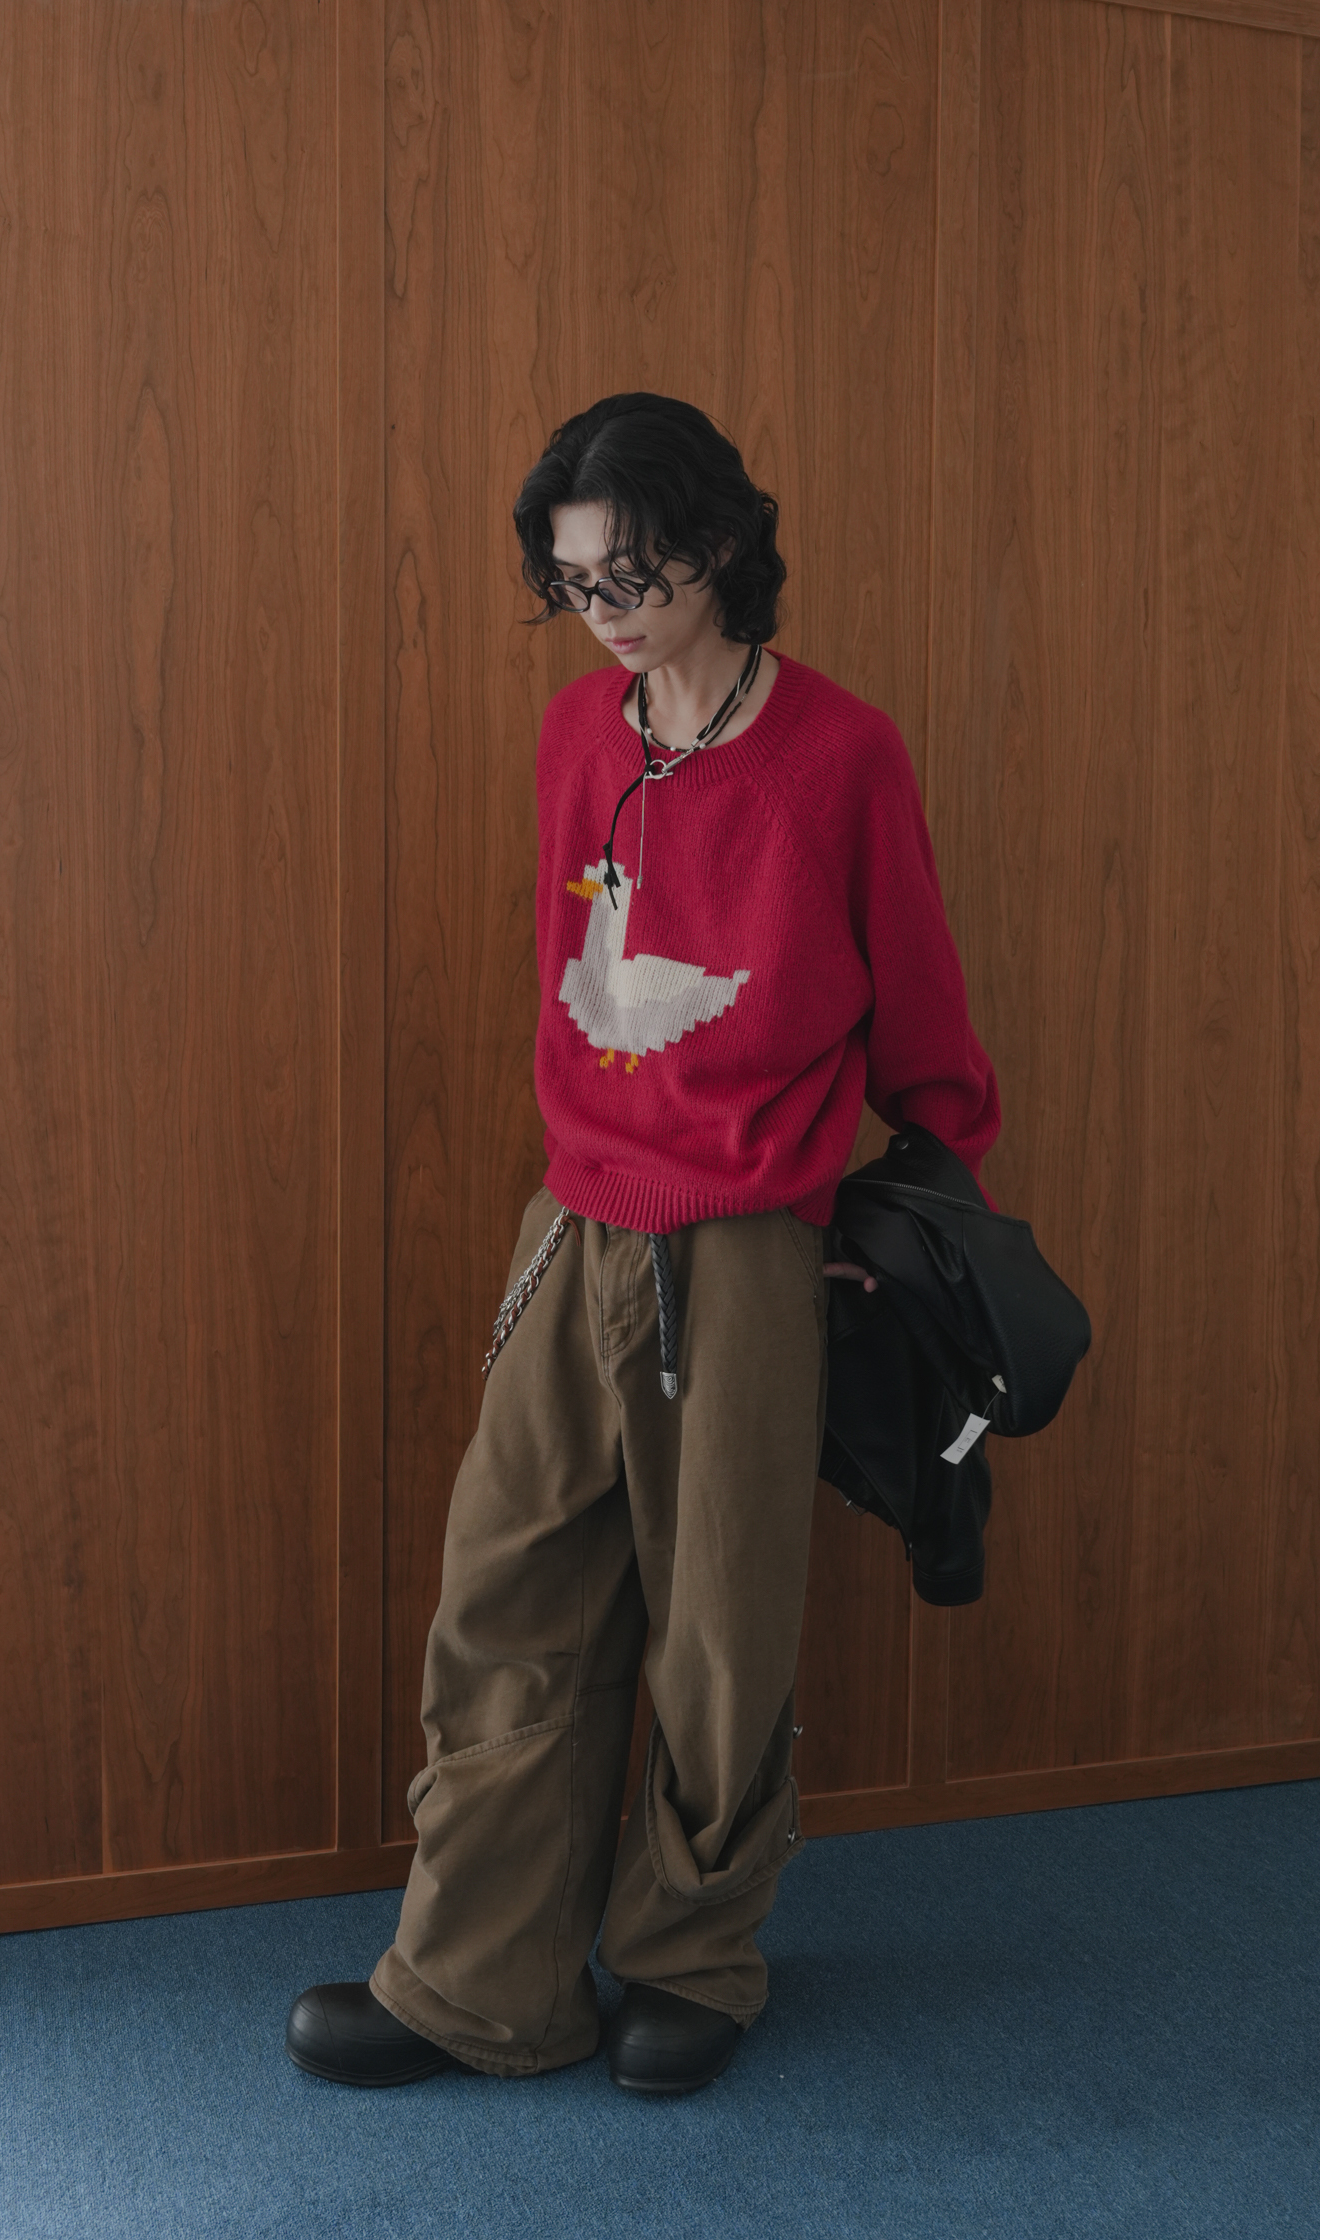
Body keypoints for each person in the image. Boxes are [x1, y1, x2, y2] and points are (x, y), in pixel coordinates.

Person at [285, 393, 999, 2096]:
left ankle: (692, 1954)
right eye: (573, 580)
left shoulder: (840, 754)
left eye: (631, 573)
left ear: (722, 547)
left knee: (717, 1629)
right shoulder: (573, 738)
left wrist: (902, 1211)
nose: (601, 609)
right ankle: (481, 1983)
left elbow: (925, 1025)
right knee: (507, 1600)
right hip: (575, 1227)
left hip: (747, 1245)